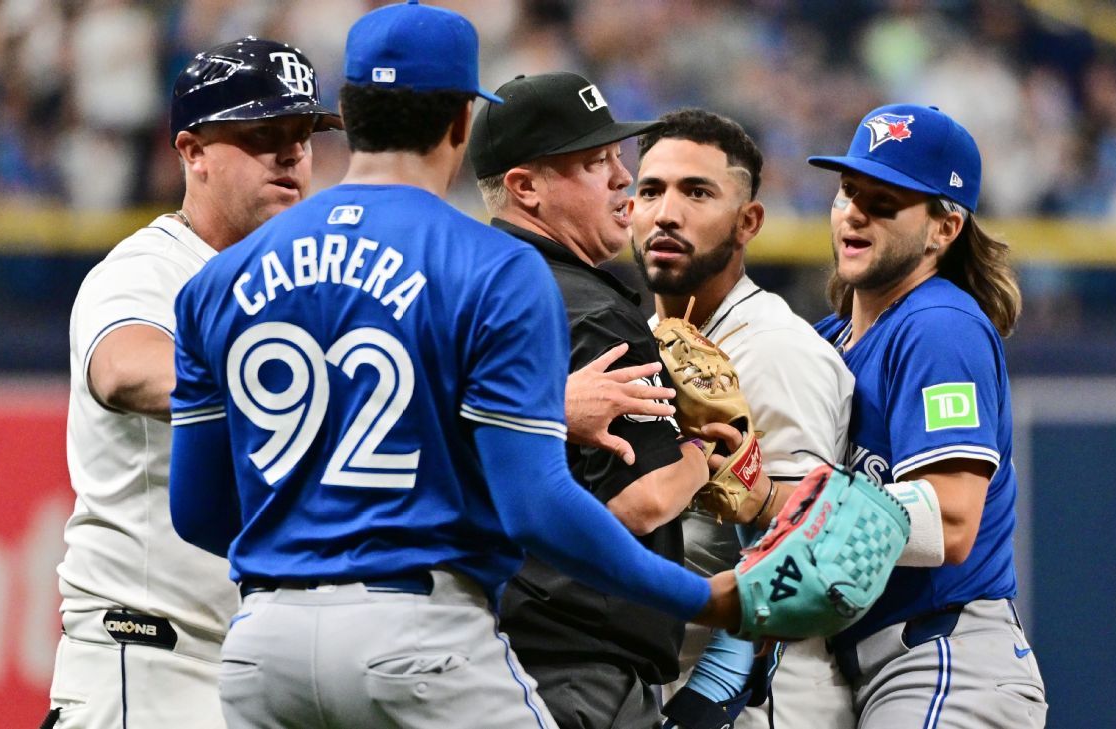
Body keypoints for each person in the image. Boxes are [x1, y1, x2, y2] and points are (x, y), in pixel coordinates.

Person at [166, 5, 742, 729]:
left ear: (348, 111)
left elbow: (198, 512)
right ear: (462, 123)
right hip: (419, 636)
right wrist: (702, 596)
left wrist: (312, 546)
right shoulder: (494, 267)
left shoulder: (215, 283)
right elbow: (539, 508)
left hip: (263, 649)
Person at [45, 38, 342, 729]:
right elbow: (124, 368)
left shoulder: (308, 290)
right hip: (148, 665)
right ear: (191, 151)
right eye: (261, 134)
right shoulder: (148, 268)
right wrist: (293, 388)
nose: (291, 155)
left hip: (261, 675)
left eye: (301, 136)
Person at [468, 72, 743, 729]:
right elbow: (642, 499)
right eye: (594, 162)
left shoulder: (466, 283)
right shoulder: (588, 305)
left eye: (617, 156)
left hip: (474, 646)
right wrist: (708, 444)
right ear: (524, 186)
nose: (623, 177)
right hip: (574, 663)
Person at [807, 104, 1047, 727]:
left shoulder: (939, 327)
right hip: (874, 670)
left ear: (945, 227)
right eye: (848, 190)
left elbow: (950, 519)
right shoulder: (830, 340)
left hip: (945, 663)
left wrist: (786, 503)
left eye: (885, 202)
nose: (854, 212)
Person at [631, 108, 857, 729]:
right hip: (673, 684)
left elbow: (808, 563)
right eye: (650, 190)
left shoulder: (774, 348)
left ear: (748, 221)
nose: (666, 212)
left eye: (697, 192)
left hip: (761, 702)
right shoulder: (642, 341)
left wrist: (711, 699)